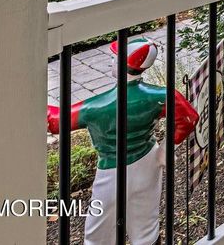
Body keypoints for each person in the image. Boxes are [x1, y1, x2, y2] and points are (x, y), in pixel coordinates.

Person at [47, 38, 199, 245]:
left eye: (113, 58)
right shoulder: (160, 96)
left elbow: (55, 122)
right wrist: (167, 147)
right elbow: (189, 117)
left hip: (111, 171)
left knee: (98, 231)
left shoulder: (97, 107)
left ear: (120, 64)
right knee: (146, 226)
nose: (111, 62)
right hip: (149, 160)